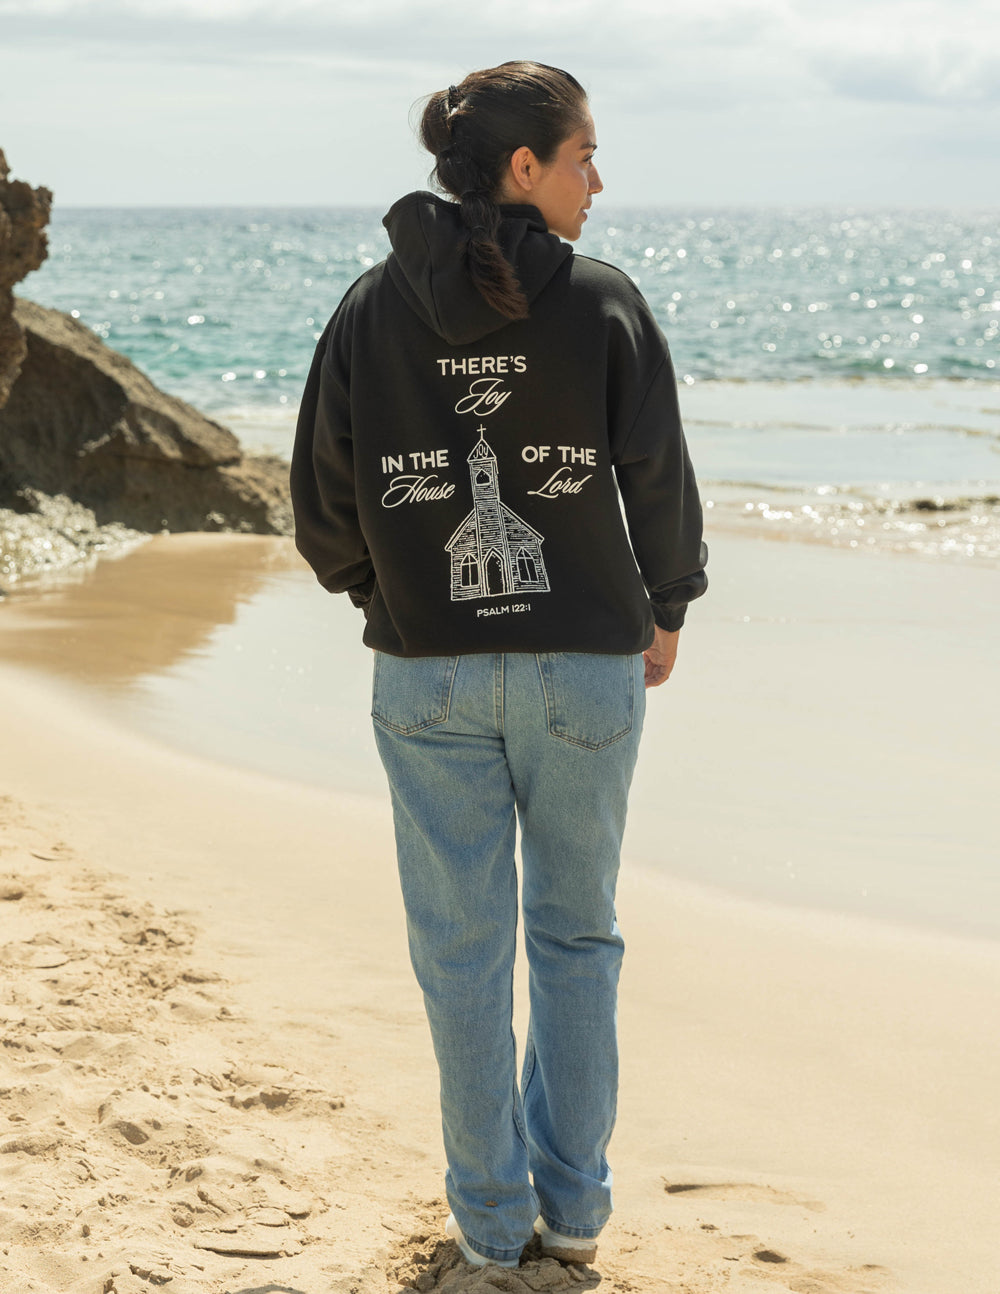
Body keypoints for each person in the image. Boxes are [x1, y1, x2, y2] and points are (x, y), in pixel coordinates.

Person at [290, 60, 707, 1270]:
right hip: (586, 664)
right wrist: (664, 602)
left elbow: (321, 502)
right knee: (575, 936)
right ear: (524, 168)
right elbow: (658, 478)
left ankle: (487, 1223)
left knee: (460, 951)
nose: (596, 180)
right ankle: (572, 1220)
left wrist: (391, 595)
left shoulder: (373, 306)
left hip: (426, 675)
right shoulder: (604, 299)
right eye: (583, 156)